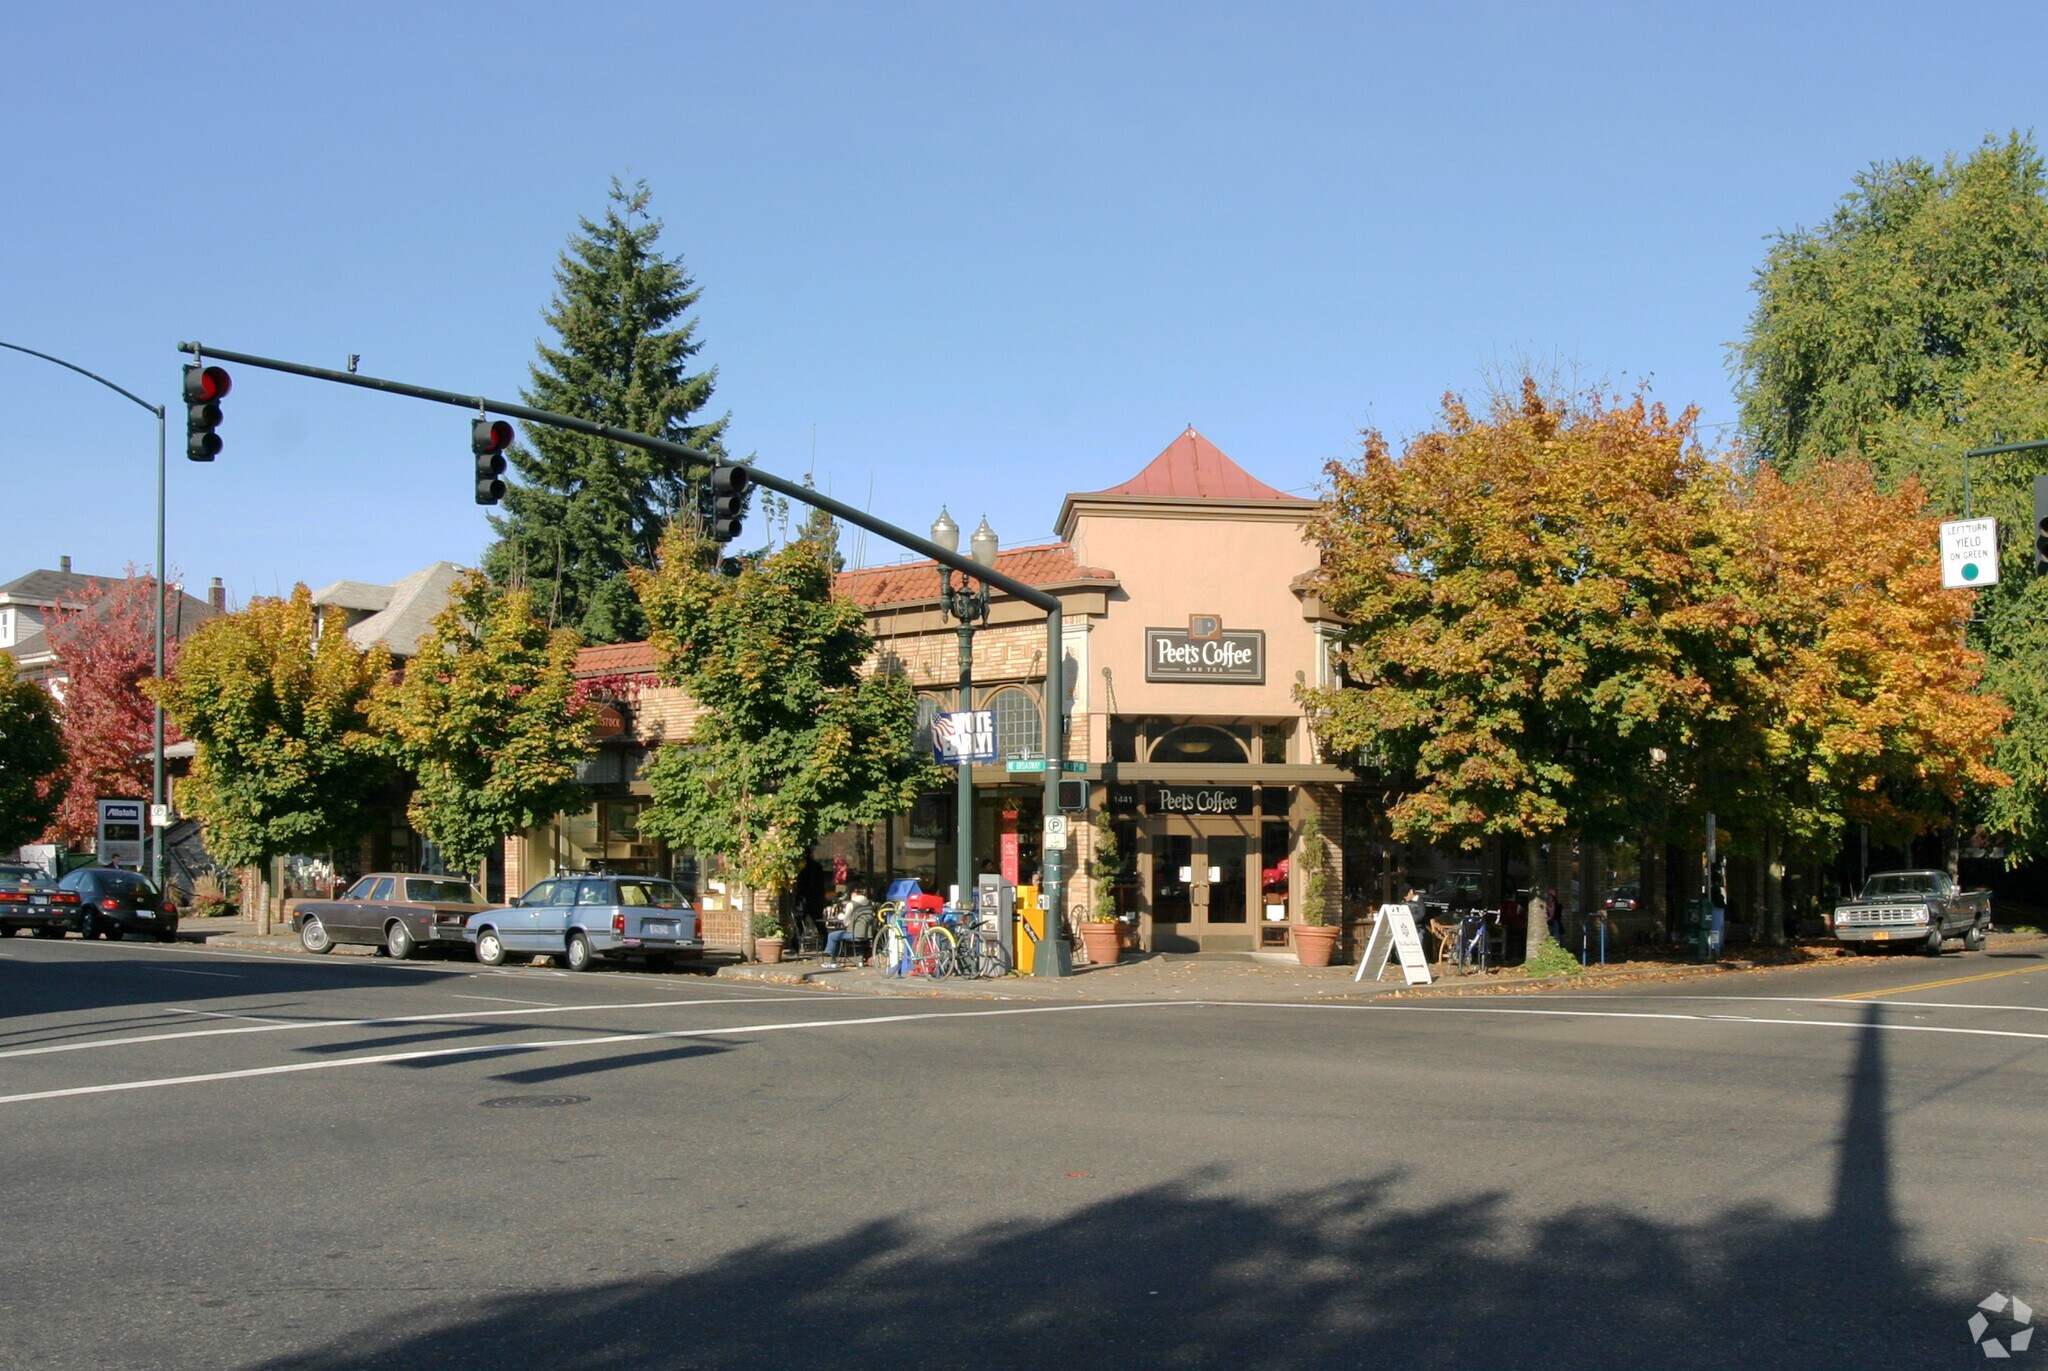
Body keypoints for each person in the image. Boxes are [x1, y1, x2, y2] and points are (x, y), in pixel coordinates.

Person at [821, 890, 877, 969]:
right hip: (867, 934)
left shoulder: (851, 904)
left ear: (854, 894)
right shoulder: (869, 904)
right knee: (855, 936)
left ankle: (833, 961)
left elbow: (846, 923)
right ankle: (861, 960)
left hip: (854, 933)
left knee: (832, 936)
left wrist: (841, 917)